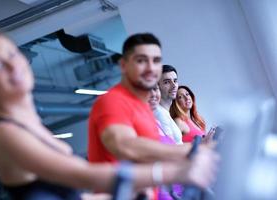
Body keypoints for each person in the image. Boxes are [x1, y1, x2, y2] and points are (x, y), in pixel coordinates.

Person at [0, 30, 217, 200]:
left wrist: (129, 190)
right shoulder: (4, 135)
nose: (12, 66)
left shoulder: (28, 125)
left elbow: (76, 192)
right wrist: (176, 170)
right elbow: (86, 174)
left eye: (12, 54)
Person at [88, 33, 218, 199]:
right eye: (142, 61)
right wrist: (195, 151)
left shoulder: (148, 116)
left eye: (155, 61)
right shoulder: (112, 102)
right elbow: (126, 145)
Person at [155, 65, 183, 144]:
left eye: (175, 81)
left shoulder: (164, 112)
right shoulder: (159, 113)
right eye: (167, 82)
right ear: (157, 86)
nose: (174, 85)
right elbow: (170, 147)